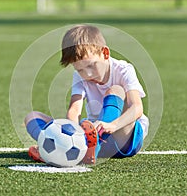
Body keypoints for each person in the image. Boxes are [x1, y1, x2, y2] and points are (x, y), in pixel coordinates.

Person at [24, 25, 149, 164]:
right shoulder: (80, 76)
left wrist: (113, 125)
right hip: (91, 137)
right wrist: (70, 137)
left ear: (105, 53)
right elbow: (74, 110)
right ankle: (60, 151)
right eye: (80, 70)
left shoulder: (124, 70)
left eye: (91, 66)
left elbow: (137, 108)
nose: (87, 74)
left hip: (124, 137)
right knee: (32, 117)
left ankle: (87, 150)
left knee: (116, 90)